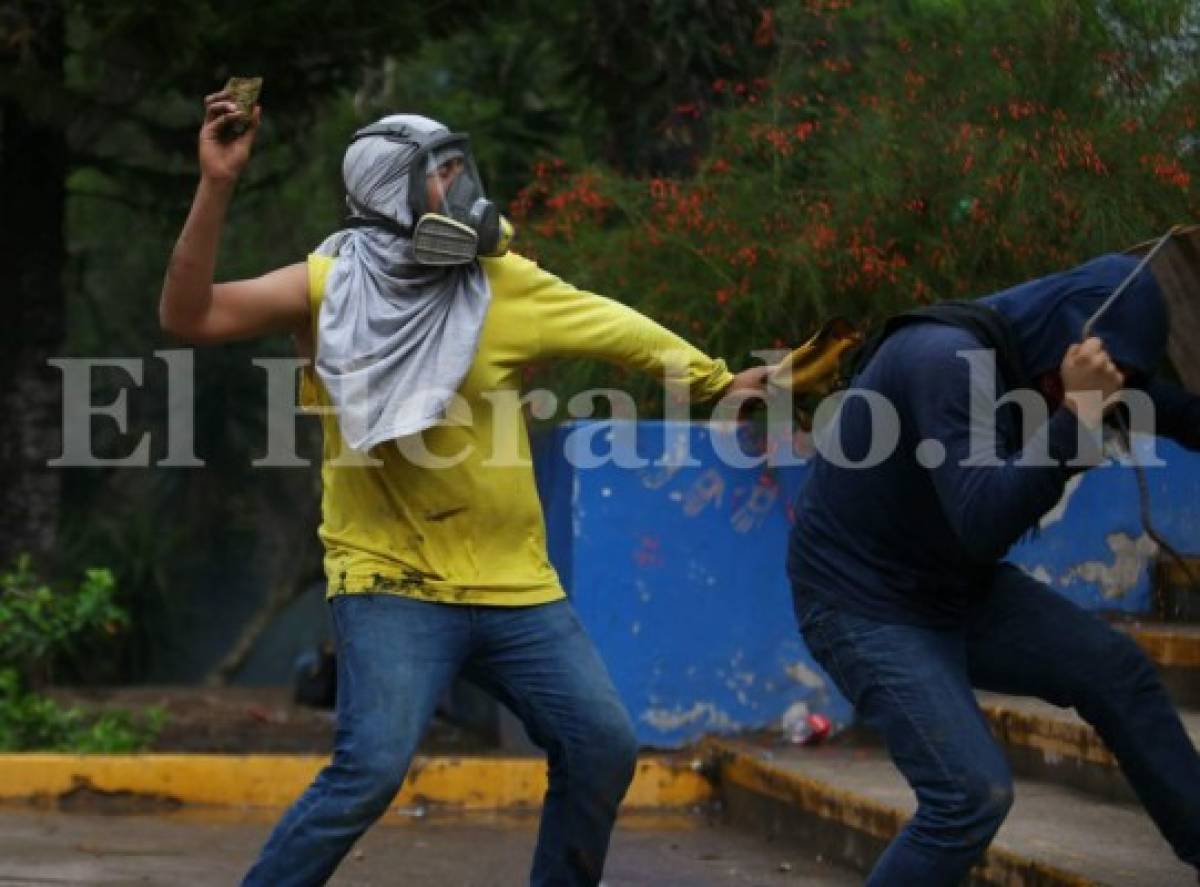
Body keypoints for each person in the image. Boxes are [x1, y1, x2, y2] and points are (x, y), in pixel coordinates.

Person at [160, 92, 771, 886]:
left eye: (460, 167)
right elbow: (190, 313)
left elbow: (618, 327)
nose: (466, 188)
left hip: (514, 584)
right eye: (443, 175)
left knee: (601, 746)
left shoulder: (500, 281)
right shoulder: (329, 288)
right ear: (392, 196)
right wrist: (216, 184)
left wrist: (716, 379)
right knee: (371, 770)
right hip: (389, 578)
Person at [787, 254, 1200, 884]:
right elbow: (981, 520)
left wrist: (1096, 400)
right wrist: (1075, 418)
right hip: (861, 601)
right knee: (968, 795)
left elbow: (1175, 411)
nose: (1101, 398)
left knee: (1117, 673)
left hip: (952, 586)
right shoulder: (945, 359)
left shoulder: (1055, 366)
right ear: (1065, 338)